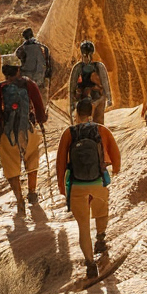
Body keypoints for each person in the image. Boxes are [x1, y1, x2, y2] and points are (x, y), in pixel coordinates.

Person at [56, 98, 121, 278]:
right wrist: (115, 169)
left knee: (83, 226)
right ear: (91, 114)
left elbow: (60, 162)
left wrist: (62, 186)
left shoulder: (69, 133)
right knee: (101, 212)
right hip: (97, 182)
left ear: (76, 114)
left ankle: (90, 264)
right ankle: (100, 238)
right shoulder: (101, 130)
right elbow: (115, 154)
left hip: (77, 185)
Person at [0, 56, 48, 213]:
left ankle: (19, 199)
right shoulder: (29, 84)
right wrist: (41, 118)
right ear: (18, 69)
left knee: (10, 165)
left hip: (7, 133)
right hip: (28, 130)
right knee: (32, 158)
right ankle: (32, 193)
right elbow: (39, 109)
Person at [68, 40, 112, 124]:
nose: (86, 55)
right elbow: (72, 87)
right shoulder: (78, 68)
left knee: (98, 123)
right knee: (82, 124)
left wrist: (109, 98)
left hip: (97, 99)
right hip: (82, 101)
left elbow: (105, 82)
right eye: (84, 53)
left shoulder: (99, 66)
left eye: (88, 53)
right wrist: (72, 104)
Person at [15, 27, 52, 102]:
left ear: (24, 37)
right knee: (41, 96)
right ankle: (42, 111)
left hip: (27, 76)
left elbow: (17, 56)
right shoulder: (43, 47)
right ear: (32, 34)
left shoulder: (22, 48)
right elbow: (48, 61)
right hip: (40, 75)